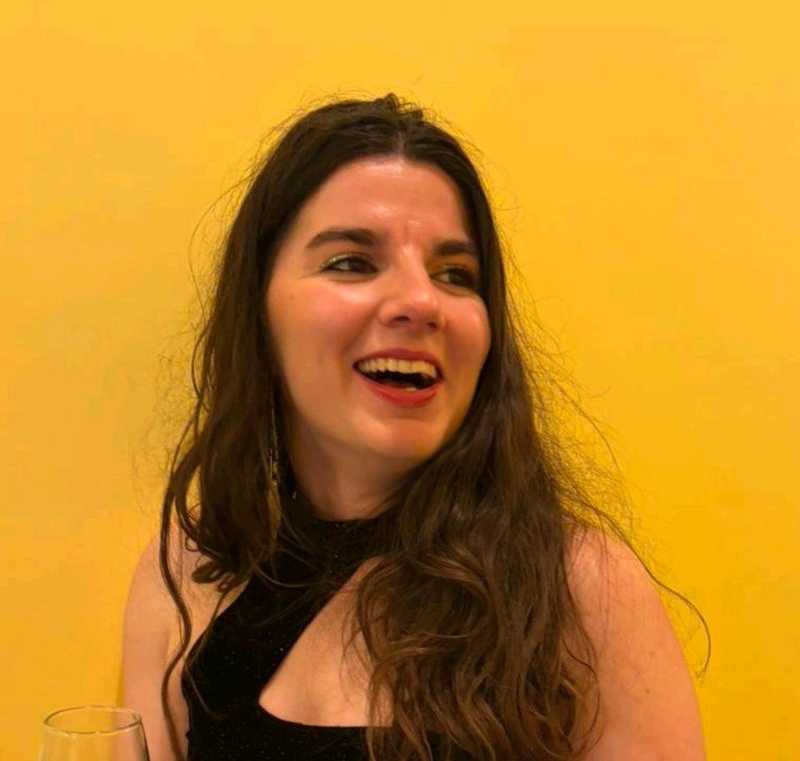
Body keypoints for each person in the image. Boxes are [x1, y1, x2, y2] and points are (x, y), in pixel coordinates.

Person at [123, 94, 706, 761]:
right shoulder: (189, 570)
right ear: (259, 310)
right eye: (351, 262)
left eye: (455, 274)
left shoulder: (579, 588)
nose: (422, 301)